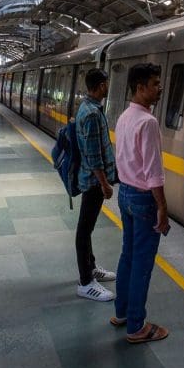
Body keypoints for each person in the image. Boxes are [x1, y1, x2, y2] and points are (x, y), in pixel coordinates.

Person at [113, 62, 169, 344]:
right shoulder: (148, 122)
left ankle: (121, 312)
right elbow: (153, 172)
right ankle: (136, 326)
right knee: (142, 263)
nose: (160, 89)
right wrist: (162, 207)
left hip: (125, 194)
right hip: (143, 197)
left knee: (128, 255)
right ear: (140, 87)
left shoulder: (125, 117)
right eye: (155, 84)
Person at [74, 68, 117, 302]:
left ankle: (90, 268)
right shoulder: (91, 113)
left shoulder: (89, 108)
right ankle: (85, 282)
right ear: (101, 86)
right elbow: (93, 156)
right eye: (107, 84)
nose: (108, 87)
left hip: (92, 180)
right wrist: (105, 184)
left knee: (87, 228)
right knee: (84, 230)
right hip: (93, 182)